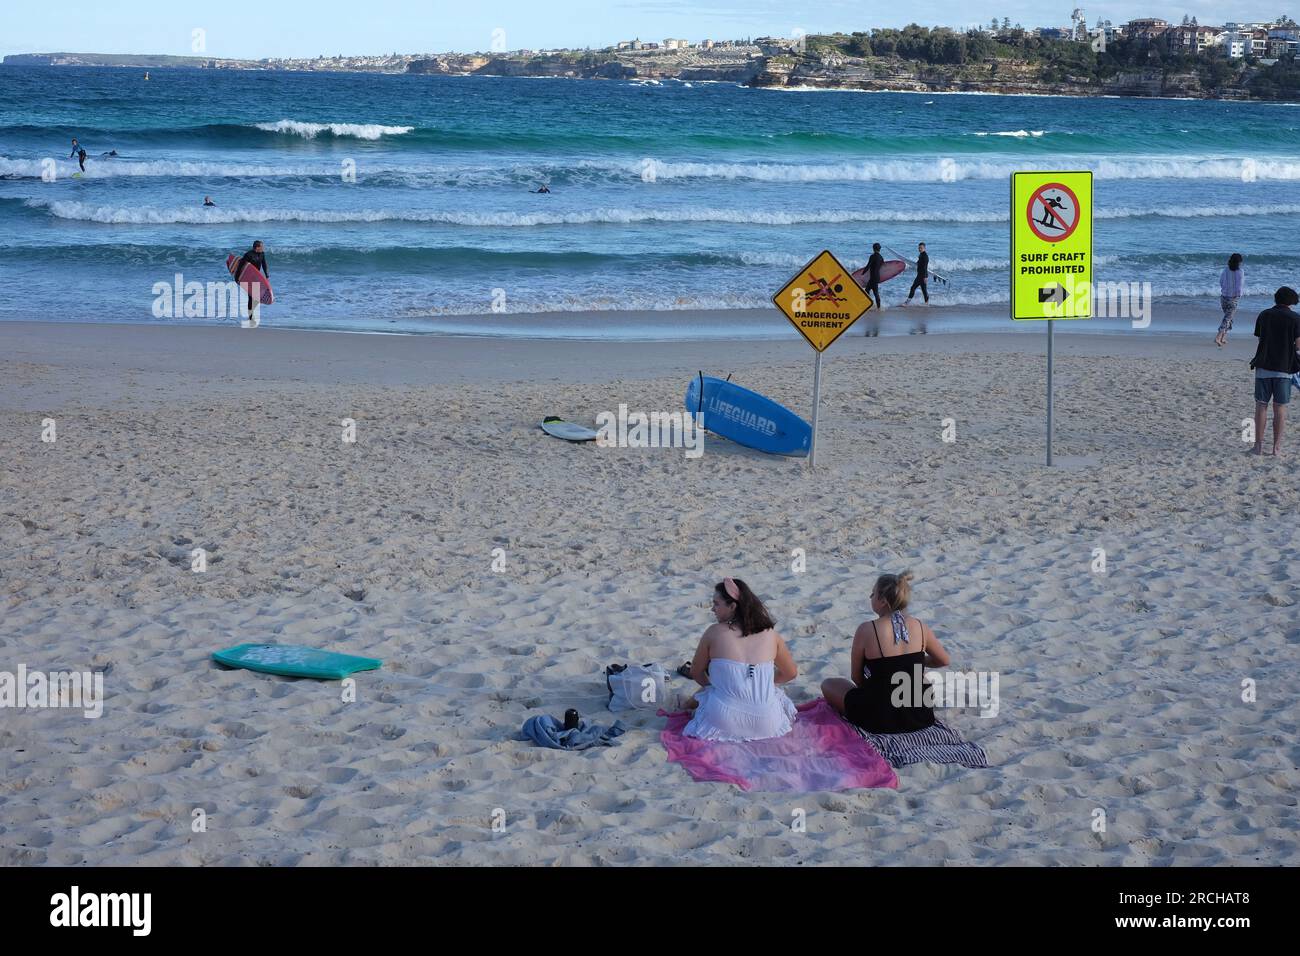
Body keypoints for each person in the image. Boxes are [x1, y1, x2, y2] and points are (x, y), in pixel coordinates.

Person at [821, 571, 951, 734]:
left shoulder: (867, 629)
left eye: (873, 594)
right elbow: (944, 660)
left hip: (880, 718)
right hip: (920, 714)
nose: (870, 597)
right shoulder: (919, 625)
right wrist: (912, 662)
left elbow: (857, 678)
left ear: (882, 601)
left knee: (828, 684)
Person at [681, 577, 798, 742]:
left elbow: (696, 672)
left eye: (716, 604)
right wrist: (764, 683)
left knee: (714, 690)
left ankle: (685, 706)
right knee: (771, 692)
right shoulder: (771, 635)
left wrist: (712, 687)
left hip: (724, 720)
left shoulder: (713, 633)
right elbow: (791, 673)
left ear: (733, 606)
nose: (712, 609)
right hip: (768, 722)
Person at [1249, 286, 1300, 456]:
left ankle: (1258, 446)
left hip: (1263, 366)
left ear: (1276, 299)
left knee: (1261, 406)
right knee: (1280, 409)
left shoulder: (1264, 315)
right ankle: (1276, 448)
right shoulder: (1295, 318)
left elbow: (1260, 337)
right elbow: (1299, 345)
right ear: (1291, 302)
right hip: (1284, 369)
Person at [232, 240, 270, 322]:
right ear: (257, 247)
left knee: (256, 298)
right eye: (262, 246)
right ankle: (250, 316)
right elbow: (240, 266)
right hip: (248, 278)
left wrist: (267, 275)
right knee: (251, 297)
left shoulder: (262, 254)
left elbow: (264, 264)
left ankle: (251, 313)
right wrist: (237, 278)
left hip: (256, 278)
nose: (263, 248)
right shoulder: (248, 255)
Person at [1216, 253, 1245, 347]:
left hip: (1223, 298)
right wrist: (1239, 295)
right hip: (1233, 299)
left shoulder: (1225, 270)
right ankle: (1218, 337)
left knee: (1229, 319)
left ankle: (1223, 337)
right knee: (1227, 318)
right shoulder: (1240, 271)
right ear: (1239, 262)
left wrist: (1225, 290)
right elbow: (1239, 286)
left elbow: (1221, 281)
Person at [863, 243, 885, 323]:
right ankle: (877, 307)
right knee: (871, 291)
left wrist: (862, 273)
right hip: (877, 277)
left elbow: (868, 266)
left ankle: (874, 306)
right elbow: (883, 266)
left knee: (870, 291)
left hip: (872, 278)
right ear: (879, 249)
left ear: (873, 248)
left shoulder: (872, 256)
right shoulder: (881, 257)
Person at [904, 241, 930, 305]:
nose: (919, 249)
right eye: (919, 248)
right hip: (920, 275)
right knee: (924, 290)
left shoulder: (925, 257)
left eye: (921, 248)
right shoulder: (921, 255)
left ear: (924, 248)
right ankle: (927, 303)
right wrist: (916, 263)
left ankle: (907, 302)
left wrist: (925, 277)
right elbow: (919, 262)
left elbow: (925, 267)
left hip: (922, 276)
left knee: (913, 288)